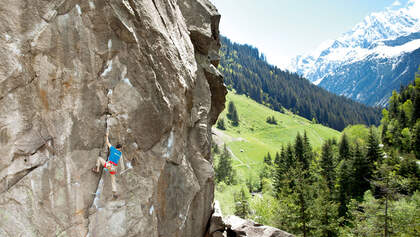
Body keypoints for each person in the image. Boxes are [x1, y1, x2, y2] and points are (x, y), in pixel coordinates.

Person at [92, 131, 125, 198]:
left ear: (116, 147)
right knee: (113, 179)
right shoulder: (120, 154)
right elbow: (121, 163)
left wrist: (107, 136)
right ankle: (114, 192)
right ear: (120, 149)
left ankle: (97, 169)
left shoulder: (113, 149)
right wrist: (123, 170)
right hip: (114, 168)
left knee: (99, 158)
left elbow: (107, 142)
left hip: (109, 165)